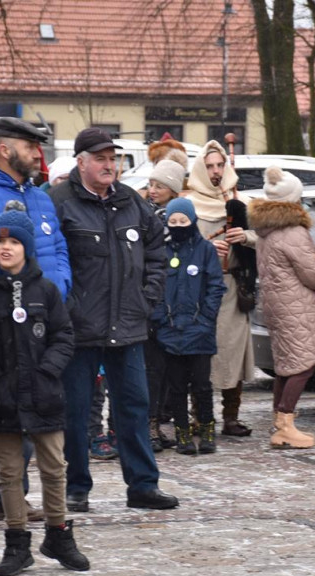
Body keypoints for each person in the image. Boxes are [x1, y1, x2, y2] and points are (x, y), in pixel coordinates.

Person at [49, 127, 178, 512]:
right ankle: (76, 486)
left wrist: (148, 295)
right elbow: (51, 259)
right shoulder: (59, 202)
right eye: (101, 159)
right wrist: (66, 308)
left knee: (135, 405)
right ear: (81, 162)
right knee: (75, 410)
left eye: (113, 159)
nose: (109, 166)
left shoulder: (130, 202)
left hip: (129, 323)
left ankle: (142, 485)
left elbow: (157, 247)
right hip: (79, 327)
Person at [0, 116, 71, 532]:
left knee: (23, 414)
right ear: (6, 149)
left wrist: (62, 289)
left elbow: (56, 246)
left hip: (38, 325)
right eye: (30, 147)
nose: (38, 154)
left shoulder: (40, 198)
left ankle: (11, 500)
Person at [0, 210, 90, 576]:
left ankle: (58, 534)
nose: (6, 248)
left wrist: (48, 370)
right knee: (8, 471)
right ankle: (17, 542)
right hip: (2, 397)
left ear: (27, 247)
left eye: (14, 242)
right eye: (1, 242)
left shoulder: (46, 290)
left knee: (54, 467)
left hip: (43, 393)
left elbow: (63, 335)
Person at [251, 168, 315, 449]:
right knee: (303, 365)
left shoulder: (266, 229)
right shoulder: (294, 232)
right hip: (295, 305)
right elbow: (311, 272)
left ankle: (279, 420)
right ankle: (285, 423)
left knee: (286, 365)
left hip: (276, 304)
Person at [187, 141, 257, 437]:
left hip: (232, 287)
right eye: (210, 166)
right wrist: (204, 249)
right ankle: (200, 417)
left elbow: (262, 238)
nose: (216, 171)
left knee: (232, 352)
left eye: (219, 165)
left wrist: (247, 237)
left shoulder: (240, 202)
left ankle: (231, 416)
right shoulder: (188, 204)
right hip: (200, 290)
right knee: (202, 354)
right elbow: (177, 243)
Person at [151, 197, 226, 454]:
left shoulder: (205, 249)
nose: (178, 225)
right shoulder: (162, 250)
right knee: (177, 386)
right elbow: (154, 287)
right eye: (173, 222)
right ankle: (182, 433)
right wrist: (161, 318)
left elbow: (216, 286)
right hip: (170, 330)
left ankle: (206, 429)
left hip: (199, 329)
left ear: (192, 220)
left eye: (183, 221)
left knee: (202, 385)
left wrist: (206, 317)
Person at [144, 158, 186, 452]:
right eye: (151, 184)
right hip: (151, 301)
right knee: (150, 370)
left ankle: (157, 422)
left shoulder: (178, 217)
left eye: (160, 185)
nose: (153, 189)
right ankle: (147, 426)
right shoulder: (146, 216)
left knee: (164, 371)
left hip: (172, 302)